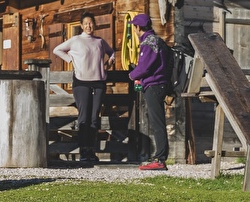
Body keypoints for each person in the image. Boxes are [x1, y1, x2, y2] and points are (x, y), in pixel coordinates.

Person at [52, 13, 115, 163]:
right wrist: (70, 59)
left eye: (91, 23)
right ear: (81, 26)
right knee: (84, 117)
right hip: (81, 82)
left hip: (99, 81)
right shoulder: (75, 40)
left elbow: (112, 53)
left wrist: (110, 62)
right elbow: (57, 50)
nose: (88, 26)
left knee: (94, 117)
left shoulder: (99, 41)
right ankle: (83, 150)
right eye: (85, 23)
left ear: (94, 25)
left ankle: (91, 149)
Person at [127, 12, 172, 171]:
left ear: (138, 27)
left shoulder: (148, 43)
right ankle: (160, 157)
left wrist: (132, 75)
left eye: (134, 26)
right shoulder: (158, 41)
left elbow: (144, 67)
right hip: (161, 84)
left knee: (157, 122)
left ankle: (160, 158)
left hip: (154, 85)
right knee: (158, 121)